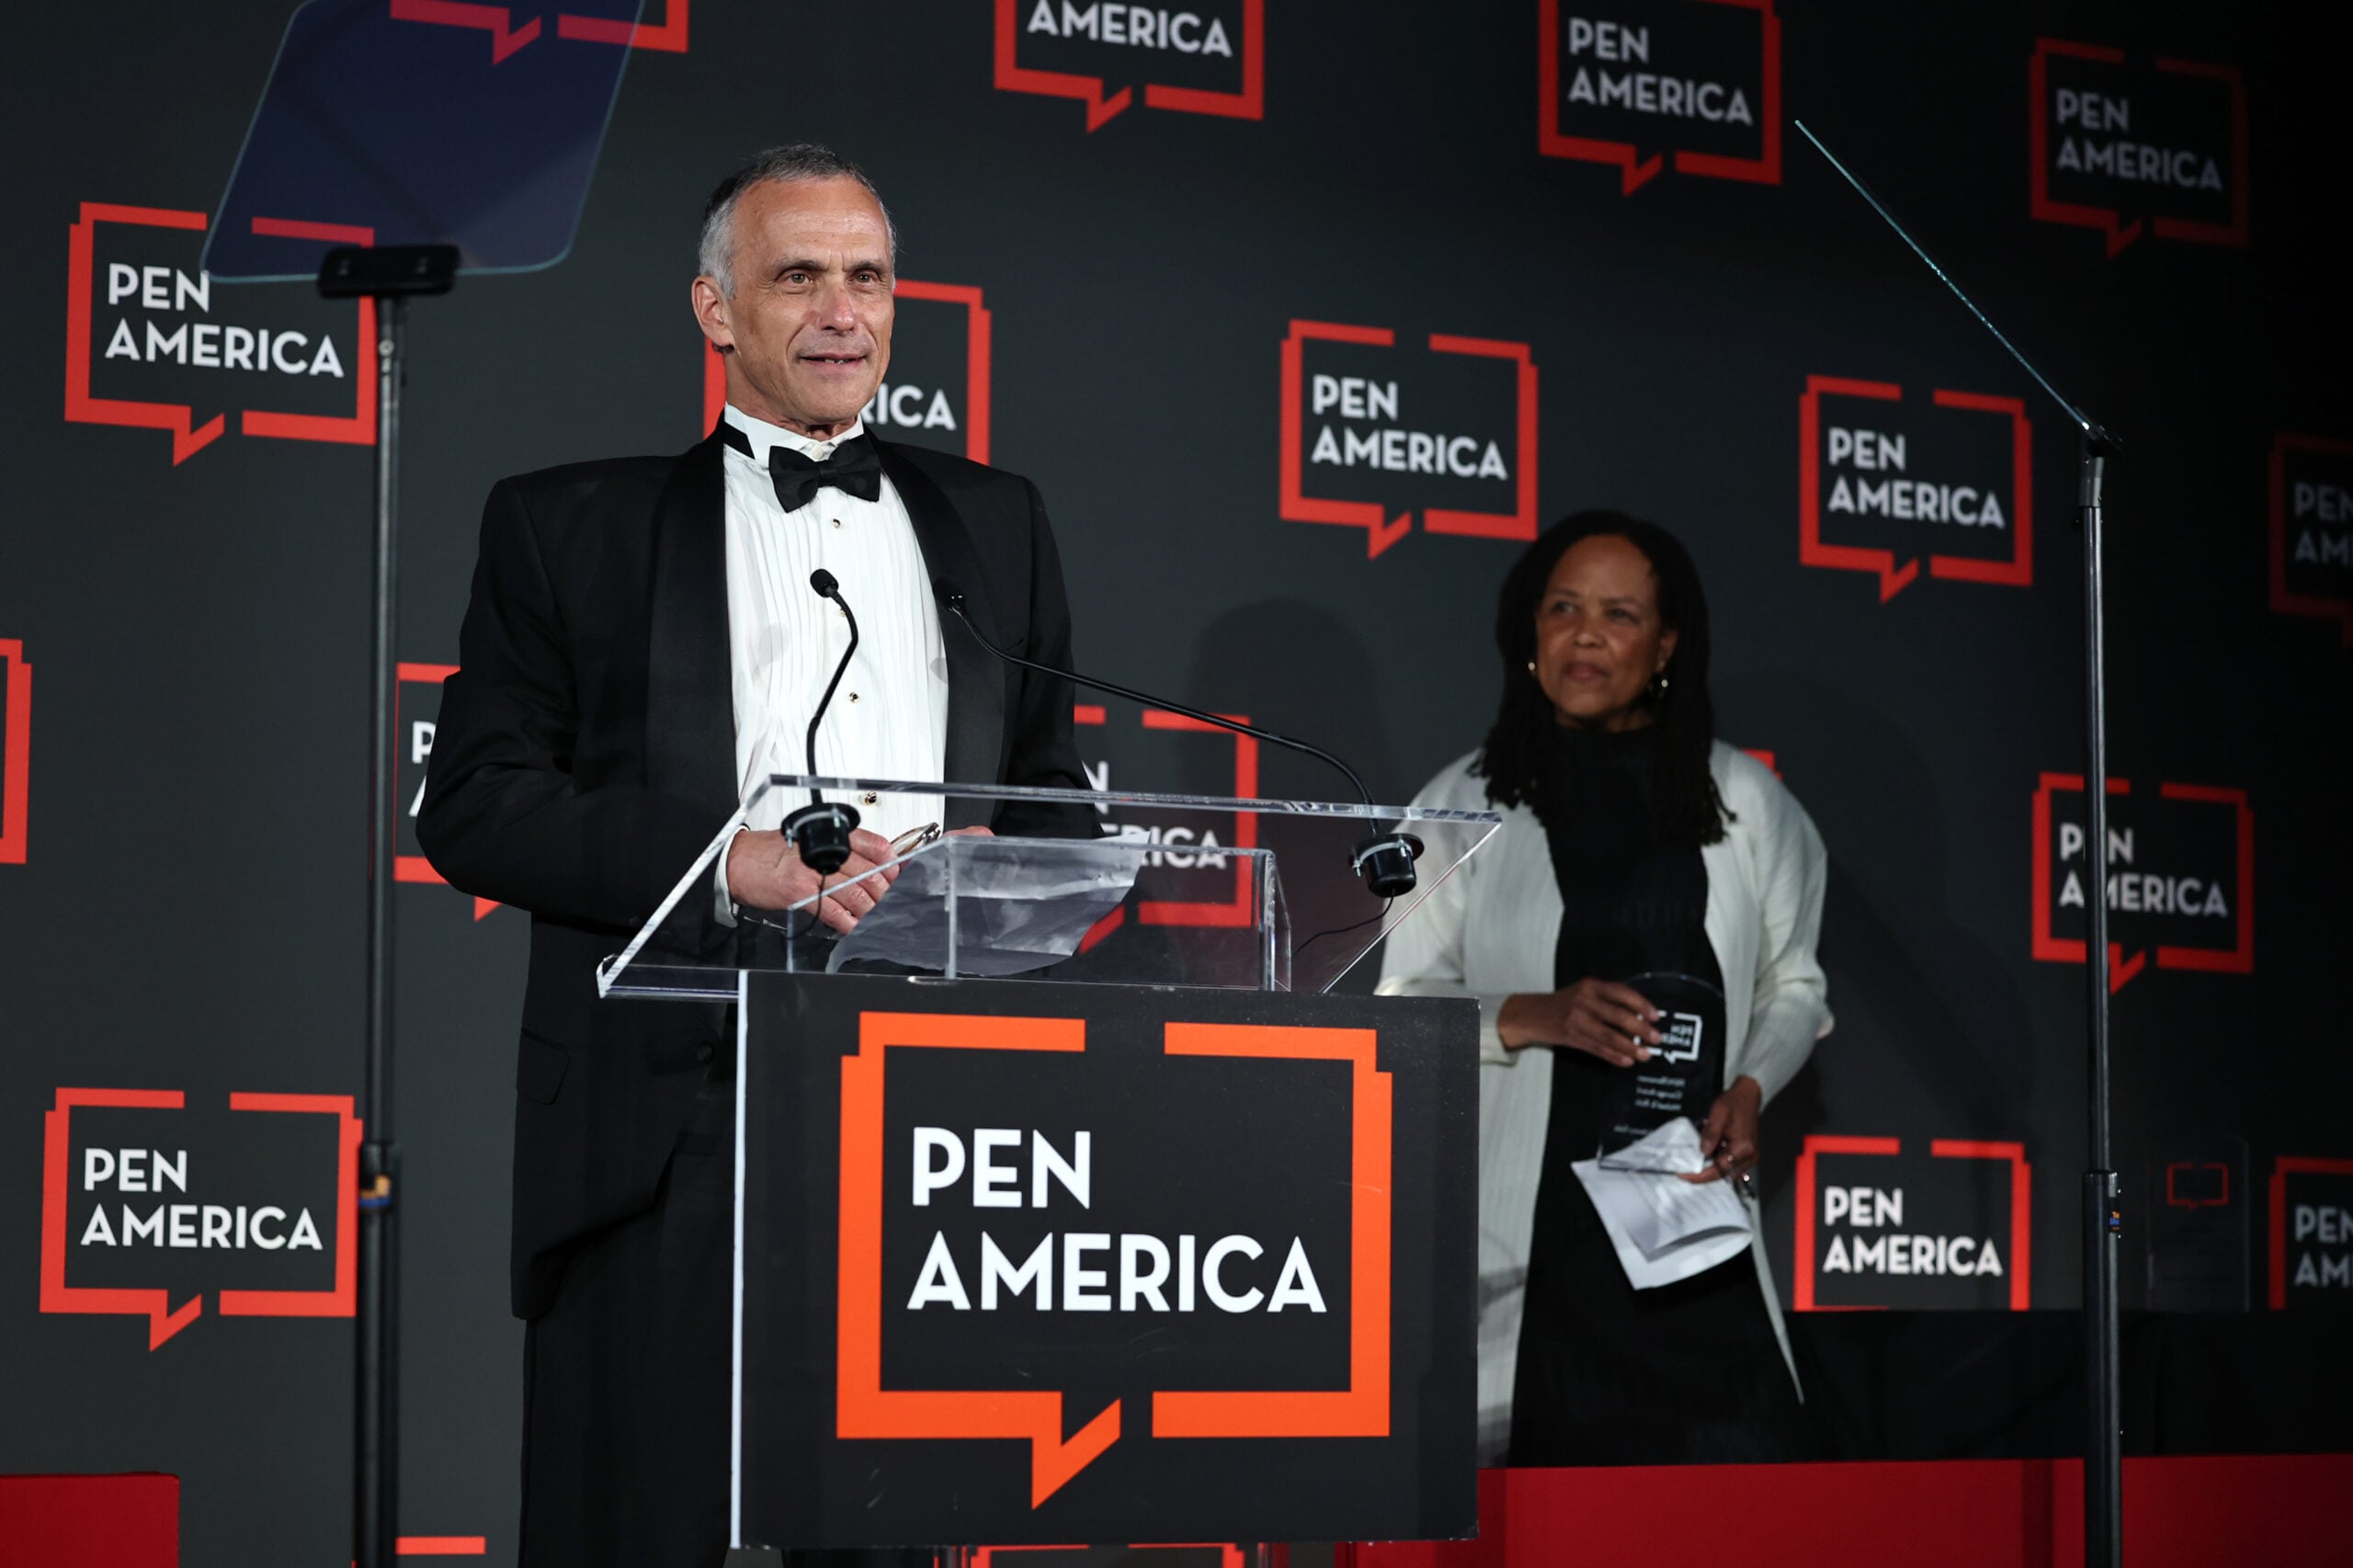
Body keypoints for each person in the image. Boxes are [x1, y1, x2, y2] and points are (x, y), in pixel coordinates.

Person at [418, 144, 1088, 1566]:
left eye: (869, 278)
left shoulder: (998, 521)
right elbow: (472, 801)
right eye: (800, 276)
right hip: (665, 1127)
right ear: (718, 311)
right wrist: (730, 858)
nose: (844, 311)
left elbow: (1047, 801)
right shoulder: (566, 527)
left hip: (930, 1131)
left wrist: (1006, 872)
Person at [1377, 510, 1830, 1466]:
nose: (1584, 635)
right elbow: (1398, 1009)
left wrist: (1750, 1086)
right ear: (1528, 629)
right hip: (1529, 1246)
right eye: (1562, 608)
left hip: (1686, 1231)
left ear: (1665, 643)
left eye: (1618, 613)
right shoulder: (1461, 803)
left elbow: (1795, 984)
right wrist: (1529, 1014)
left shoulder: (1746, 802)